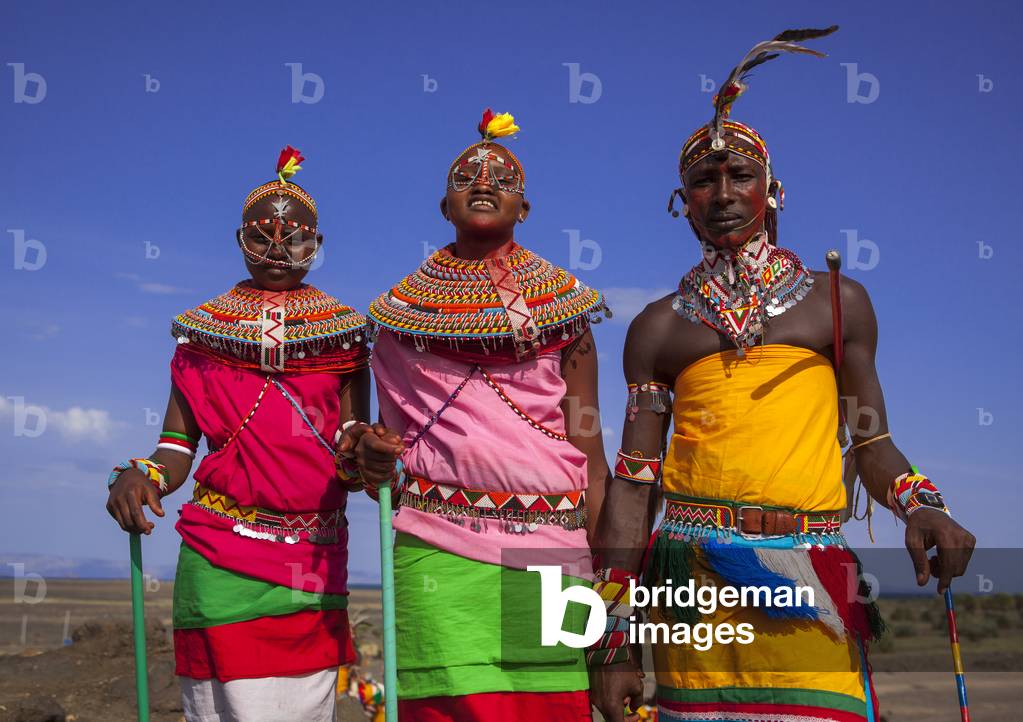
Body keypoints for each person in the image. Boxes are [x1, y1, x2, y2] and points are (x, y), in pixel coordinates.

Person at [589, 28, 976, 722]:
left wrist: (924, 506)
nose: (722, 193)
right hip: (691, 582)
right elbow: (634, 479)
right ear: (682, 202)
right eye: (702, 181)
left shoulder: (835, 301)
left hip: (809, 572)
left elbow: (869, 443)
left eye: (740, 175)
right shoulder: (656, 327)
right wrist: (613, 641)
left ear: (771, 189)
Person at [344, 110, 612, 721]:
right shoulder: (396, 322)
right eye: (466, 176)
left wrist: (609, 578)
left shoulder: (565, 314)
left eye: (503, 179)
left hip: (552, 553)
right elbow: (382, 459)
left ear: (525, 209)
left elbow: (589, 450)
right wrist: (371, 454)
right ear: (444, 206)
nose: (484, 183)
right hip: (435, 551)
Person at [105, 147, 370, 721]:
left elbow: (350, 456)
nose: (278, 249)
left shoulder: (347, 341)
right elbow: (175, 447)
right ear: (238, 238)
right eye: (262, 236)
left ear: (316, 247)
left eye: (295, 238)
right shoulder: (200, 340)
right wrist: (141, 474)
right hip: (218, 558)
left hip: (315, 568)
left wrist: (369, 456)